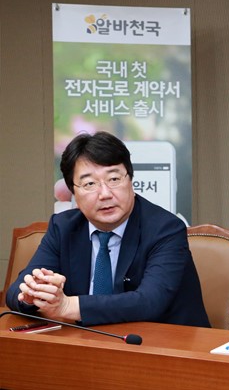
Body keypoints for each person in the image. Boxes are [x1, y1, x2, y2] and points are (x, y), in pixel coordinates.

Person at [5, 131, 210, 328]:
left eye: (114, 179)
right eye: (89, 183)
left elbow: (149, 302)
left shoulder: (165, 229)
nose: (105, 194)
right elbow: (15, 292)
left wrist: (68, 306)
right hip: (89, 342)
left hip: (165, 343)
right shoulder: (63, 227)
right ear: (73, 192)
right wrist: (32, 296)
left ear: (130, 180)